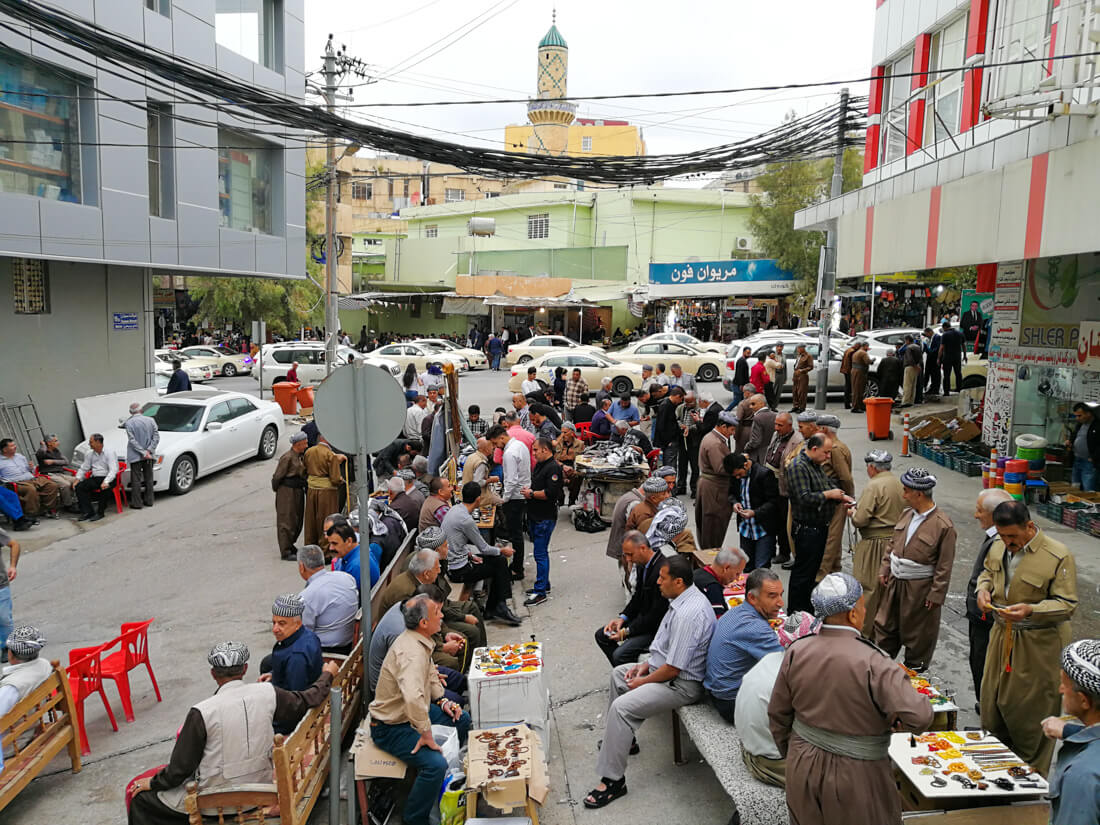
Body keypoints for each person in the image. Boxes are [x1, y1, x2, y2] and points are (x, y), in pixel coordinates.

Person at [768, 573, 934, 825]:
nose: (865, 611)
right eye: (863, 605)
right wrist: (896, 724)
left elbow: (778, 714)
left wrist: (794, 753)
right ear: (853, 614)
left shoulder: (797, 651)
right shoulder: (875, 662)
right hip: (856, 772)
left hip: (802, 762)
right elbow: (920, 716)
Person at [126, 643, 338, 825]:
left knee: (142, 800)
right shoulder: (268, 693)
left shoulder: (202, 711)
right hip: (261, 791)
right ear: (245, 669)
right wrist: (328, 674)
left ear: (213, 674)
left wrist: (152, 783)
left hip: (216, 802)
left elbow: (179, 770)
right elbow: (309, 698)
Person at [584, 554, 715, 809]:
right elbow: (664, 649)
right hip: (667, 673)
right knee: (619, 674)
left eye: (662, 578)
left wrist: (643, 682)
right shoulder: (681, 598)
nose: (658, 582)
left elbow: (673, 669)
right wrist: (644, 666)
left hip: (683, 687)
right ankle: (627, 741)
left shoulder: (689, 613)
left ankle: (613, 781)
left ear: (678, 582)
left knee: (621, 709)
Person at [976, 500, 1077, 776]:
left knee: (1031, 714)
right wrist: (982, 591)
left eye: (1013, 536)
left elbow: (1067, 604)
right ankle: (996, 776)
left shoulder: (1057, 555)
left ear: (1029, 526)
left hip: (1038, 644)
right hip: (1001, 636)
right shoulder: (998, 545)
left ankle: (1031, 783)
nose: (1008, 542)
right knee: (993, 704)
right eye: (1002, 535)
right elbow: (988, 572)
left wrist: (1032, 610)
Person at [368, 595, 471, 825]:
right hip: (391, 726)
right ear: (424, 623)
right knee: (435, 765)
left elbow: (431, 672)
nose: (442, 616)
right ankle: (415, 818)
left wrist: (444, 701)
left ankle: (451, 781)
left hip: (411, 714)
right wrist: (426, 735)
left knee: (461, 719)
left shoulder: (420, 640)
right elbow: (413, 698)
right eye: (437, 613)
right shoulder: (410, 651)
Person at [872, 468, 957, 672]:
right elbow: (893, 543)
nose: (903, 495)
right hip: (894, 584)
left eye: (906, 491)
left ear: (919, 494)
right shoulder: (906, 514)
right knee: (884, 629)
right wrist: (885, 567)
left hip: (919, 590)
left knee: (918, 636)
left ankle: (914, 679)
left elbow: (944, 566)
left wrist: (936, 594)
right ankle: (877, 674)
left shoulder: (943, 526)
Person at [705, 568, 784, 722]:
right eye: (772, 596)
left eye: (781, 595)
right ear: (752, 598)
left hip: (717, 691)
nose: (781, 603)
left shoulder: (736, 612)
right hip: (731, 703)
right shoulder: (755, 628)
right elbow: (786, 666)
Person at [785, 434, 853, 614]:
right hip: (807, 530)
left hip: (819, 527)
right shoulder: (798, 467)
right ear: (814, 449)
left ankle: (806, 610)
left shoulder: (816, 465)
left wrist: (839, 496)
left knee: (811, 573)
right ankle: (796, 613)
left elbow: (825, 485)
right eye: (826, 452)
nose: (828, 457)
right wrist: (829, 495)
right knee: (803, 574)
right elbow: (804, 497)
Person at [441, 481, 522, 626]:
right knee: (500, 561)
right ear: (478, 499)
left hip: (457, 561)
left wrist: (471, 555)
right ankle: (500, 606)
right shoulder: (466, 520)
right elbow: (484, 548)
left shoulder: (454, 510)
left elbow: (457, 542)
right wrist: (502, 550)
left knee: (498, 561)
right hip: (459, 570)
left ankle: (496, 607)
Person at [1042, 640, 1100, 825]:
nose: (1060, 689)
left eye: (1064, 684)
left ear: (1084, 700)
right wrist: (1070, 731)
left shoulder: (1082, 775)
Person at [848, 450, 905, 636]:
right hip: (896, 541)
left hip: (875, 544)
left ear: (872, 467)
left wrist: (853, 513)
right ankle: (884, 630)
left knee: (868, 589)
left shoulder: (874, 485)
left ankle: (864, 633)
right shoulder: (898, 483)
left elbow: (861, 519)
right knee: (887, 590)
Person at [966, 489, 1014, 701]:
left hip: (987, 620)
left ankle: (987, 711)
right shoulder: (995, 539)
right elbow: (986, 574)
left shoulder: (1002, 543)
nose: (975, 515)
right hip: (981, 615)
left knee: (983, 664)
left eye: (979, 511)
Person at [595, 531, 669, 666]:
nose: (628, 559)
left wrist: (626, 632)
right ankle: (627, 671)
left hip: (654, 629)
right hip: (641, 621)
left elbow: (655, 616)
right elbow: (637, 598)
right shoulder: (643, 565)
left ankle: (630, 677)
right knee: (601, 635)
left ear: (643, 548)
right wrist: (622, 618)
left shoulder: (661, 571)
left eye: (630, 554)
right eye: (626, 555)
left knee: (620, 655)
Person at [297, 544, 358, 655]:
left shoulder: (307, 596)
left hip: (328, 650)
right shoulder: (346, 578)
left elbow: (304, 634)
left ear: (302, 567)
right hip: (349, 641)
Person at [523, 437, 563, 607]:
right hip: (535, 515)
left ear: (545, 450)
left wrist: (531, 494)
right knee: (540, 552)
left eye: (535, 450)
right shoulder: (540, 465)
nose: (533, 453)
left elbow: (549, 493)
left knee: (540, 554)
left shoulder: (553, 468)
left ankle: (540, 592)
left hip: (544, 518)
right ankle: (543, 585)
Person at [726, 452, 782, 571]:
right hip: (745, 529)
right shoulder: (736, 475)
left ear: (745, 465)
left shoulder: (764, 474)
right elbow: (731, 493)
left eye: (739, 474)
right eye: (735, 476)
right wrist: (734, 503)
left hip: (763, 529)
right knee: (745, 566)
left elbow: (774, 502)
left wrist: (755, 513)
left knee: (761, 568)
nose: (737, 478)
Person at [815, 415, 854, 582]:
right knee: (835, 539)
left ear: (824, 429)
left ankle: (821, 575)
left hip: (836, 499)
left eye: (818, 428)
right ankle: (835, 570)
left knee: (830, 539)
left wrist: (848, 497)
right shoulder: (838, 446)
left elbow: (845, 477)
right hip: (836, 497)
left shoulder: (835, 449)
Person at [490, 424, 530, 583]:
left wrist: (503, 499)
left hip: (514, 497)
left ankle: (517, 569)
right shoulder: (520, 445)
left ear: (501, 437)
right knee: (517, 533)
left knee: (515, 534)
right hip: (521, 493)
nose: (495, 447)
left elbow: (511, 480)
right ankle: (517, 565)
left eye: (495, 443)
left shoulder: (510, 453)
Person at [695, 411, 735, 549]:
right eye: (732, 429)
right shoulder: (715, 444)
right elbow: (721, 468)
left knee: (708, 525)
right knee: (713, 525)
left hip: (709, 486)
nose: (733, 433)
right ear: (723, 427)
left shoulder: (711, 438)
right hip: (715, 489)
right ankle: (710, 560)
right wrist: (739, 466)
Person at [271, 432, 308, 561]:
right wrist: (279, 490)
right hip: (287, 492)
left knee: (296, 519)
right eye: (305, 442)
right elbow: (277, 477)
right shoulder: (287, 457)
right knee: (286, 520)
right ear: (298, 444)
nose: (307, 444)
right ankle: (285, 550)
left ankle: (290, 544)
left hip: (297, 490)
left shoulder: (300, 456)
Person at [0, 438, 60, 517]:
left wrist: (31, 468)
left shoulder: (20, 456)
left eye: (14, 445)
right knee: (31, 489)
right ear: (4, 449)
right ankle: (31, 514)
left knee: (51, 485)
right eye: (12, 446)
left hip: (31, 478)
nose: (15, 447)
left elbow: (29, 470)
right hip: (16, 482)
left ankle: (48, 509)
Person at [0, 626, 50, 721]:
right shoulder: (45, 665)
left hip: (17, 734)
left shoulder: (12, 687)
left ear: (11, 654)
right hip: (32, 724)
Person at [303, 436, 345, 547]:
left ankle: (310, 546)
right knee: (326, 520)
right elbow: (335, 478)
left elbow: (305, 469)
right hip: (327, 492)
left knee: (311, 520)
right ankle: (326, 550)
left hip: (312, 489)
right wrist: (341, 480)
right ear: (326, 440)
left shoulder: (309, 452)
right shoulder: (329, 454)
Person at [122, 403, 159, 510]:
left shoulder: (129, 423)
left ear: (130, 412)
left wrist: (142, 452)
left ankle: (137, 503)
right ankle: (149, 500)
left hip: (135, 455)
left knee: (136, 479)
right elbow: (156, 437)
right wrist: (148, 451)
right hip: (149, 455)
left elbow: (132, 440)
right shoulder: (151, 420)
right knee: (149, 478)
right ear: (141, 410)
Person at [75, 433, 118, 523]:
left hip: (109, 478)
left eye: (91, 442)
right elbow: (84, 467)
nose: (89, 444)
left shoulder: (109, 452)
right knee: (80, 487)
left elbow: (113, 470)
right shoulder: (89, 454)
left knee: (105, 489)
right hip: (96, 478)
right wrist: (78, 479)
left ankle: (100, 512)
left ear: (98, 442)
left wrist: (106, 481)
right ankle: (88, 512)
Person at [693, 546, 747, 617]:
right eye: (737, 574)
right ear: (726, 568)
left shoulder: (697, 572)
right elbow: (720, 622)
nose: (737, 579)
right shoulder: (712, 588)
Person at [327, 522, 380, 591]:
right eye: (330, 544)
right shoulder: (359, 552)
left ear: (349, 541)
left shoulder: (357, 565)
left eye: (334, 544)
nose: (331, 548)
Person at [34, 434, 78, 510]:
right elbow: (41, 452)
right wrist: (43, 445)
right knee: (66, 485)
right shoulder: (42, 452)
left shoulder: (56, 451)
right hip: (49, 475)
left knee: (77, 480)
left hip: (60, 473)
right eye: (56, 441)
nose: (58, 442)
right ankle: (68, 505)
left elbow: (66, 462)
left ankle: (77, 501)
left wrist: (53, 461)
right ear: (49, 443)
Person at [652, 385, 686, 484]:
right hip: (669, 442)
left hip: (670, 440)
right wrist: (668, 441)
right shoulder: (666, 406)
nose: (681, 401)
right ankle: (671, 490)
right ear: (677, 396)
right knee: (670, 468)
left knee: (670, 466)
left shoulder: (669, 404)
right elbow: (662, 426)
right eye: (681, 399)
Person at [1067, 402, 1100, 491]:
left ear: (1088, 413)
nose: (1077, 418)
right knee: (1075, 487)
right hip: (1077, 460)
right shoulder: (1080, 424)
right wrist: (1070, 442)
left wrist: (1094, 457)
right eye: (1076, 416)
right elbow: (1075, 435)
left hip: (1089, 463)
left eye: (1080, 416)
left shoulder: (1098, 426)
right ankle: (1075, 504)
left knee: (1088, 489)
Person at [0, 530, 19, 661]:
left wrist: (13, 566)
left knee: (3, 618)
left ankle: (7, 647)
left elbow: (14, 544)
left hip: (0, 584)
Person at [743, 394, 776, 467]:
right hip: (770, 454)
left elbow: (755, 441)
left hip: (758, 456)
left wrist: (746, 447)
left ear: (762, 404)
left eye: (753, 404)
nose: (750, 407)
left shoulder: (757, 418)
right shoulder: (774, 415)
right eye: (750, 404)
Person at [939, 320, 965, 396]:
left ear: (945, 327)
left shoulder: (945, 335)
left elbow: (941, 348)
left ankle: (946, 392)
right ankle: (959, 389)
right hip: (957, 357)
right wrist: (965, 356)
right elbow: (963, 345)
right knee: (958, 374)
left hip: (947, 357)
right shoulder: (960, 333)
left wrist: (938, 358)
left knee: (947, 375)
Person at [849, 340, 872, 412]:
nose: (867, 349)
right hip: (860, 372)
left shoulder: (856, 352)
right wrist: (872, 360)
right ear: (864, 346)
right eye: (867, 347)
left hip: (854, 371)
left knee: (855, 389)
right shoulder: (863, 353)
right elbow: (868, 361)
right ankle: (856, 407)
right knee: (859, 390)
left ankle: (859, 405)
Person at [790, 343, 813, 413]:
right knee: (795, 391)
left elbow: (810, 367)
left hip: (803, 375)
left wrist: (802, 370)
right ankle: (795, 406)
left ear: (803, 348)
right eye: (797, 348)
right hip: (796, 374)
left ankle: (802, 407)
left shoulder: (808, 356)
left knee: (801, 392)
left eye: (799, 348)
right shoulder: (799, 355)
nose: (798, 349)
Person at [900, 335, 922, 406]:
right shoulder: (918, 347)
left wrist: (914, 366)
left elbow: (909, 359)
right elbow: (920, 358)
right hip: (916, 367)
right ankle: (911, 400)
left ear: (907, 340)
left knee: (907, 385)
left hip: (909, 367)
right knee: (913, 385)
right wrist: (917, 366)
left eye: (905, 341)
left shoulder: (909, 348)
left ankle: (906, 401)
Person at [923, 326, 942, 398]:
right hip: (930, 358)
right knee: (929, 373)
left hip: (934, 358)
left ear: (930, 332)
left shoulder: (937, 337)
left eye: (926, 334)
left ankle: (935, 388)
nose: (926, 336)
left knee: (935, 374)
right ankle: (931, 387)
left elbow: (937, 348)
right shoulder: (929, 339)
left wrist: (930, 351)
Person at [839, 340, 859, 409]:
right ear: (857, 345)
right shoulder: (852, 352)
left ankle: (847, 403)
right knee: (849, 387)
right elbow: (852, 362)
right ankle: (847, 404)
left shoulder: (848, 350)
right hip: (849, 371)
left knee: (847, 387)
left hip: (845, 370)